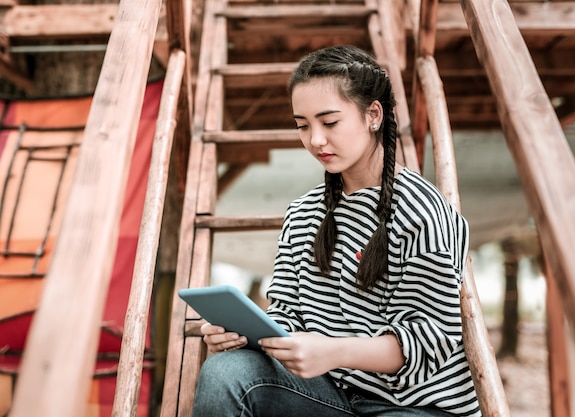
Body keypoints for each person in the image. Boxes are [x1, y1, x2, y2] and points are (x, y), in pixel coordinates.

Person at [192, 45, 481, 417]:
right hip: (332, 396)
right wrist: (245, 337)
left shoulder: (422, 211)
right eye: (302, 125)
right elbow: (287, 315)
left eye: (329, 123)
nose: (315, 140)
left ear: (373, 115)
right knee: (225, 372)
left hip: (417, 407)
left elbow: (430, 340)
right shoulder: (302, 214)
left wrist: (332, 350)